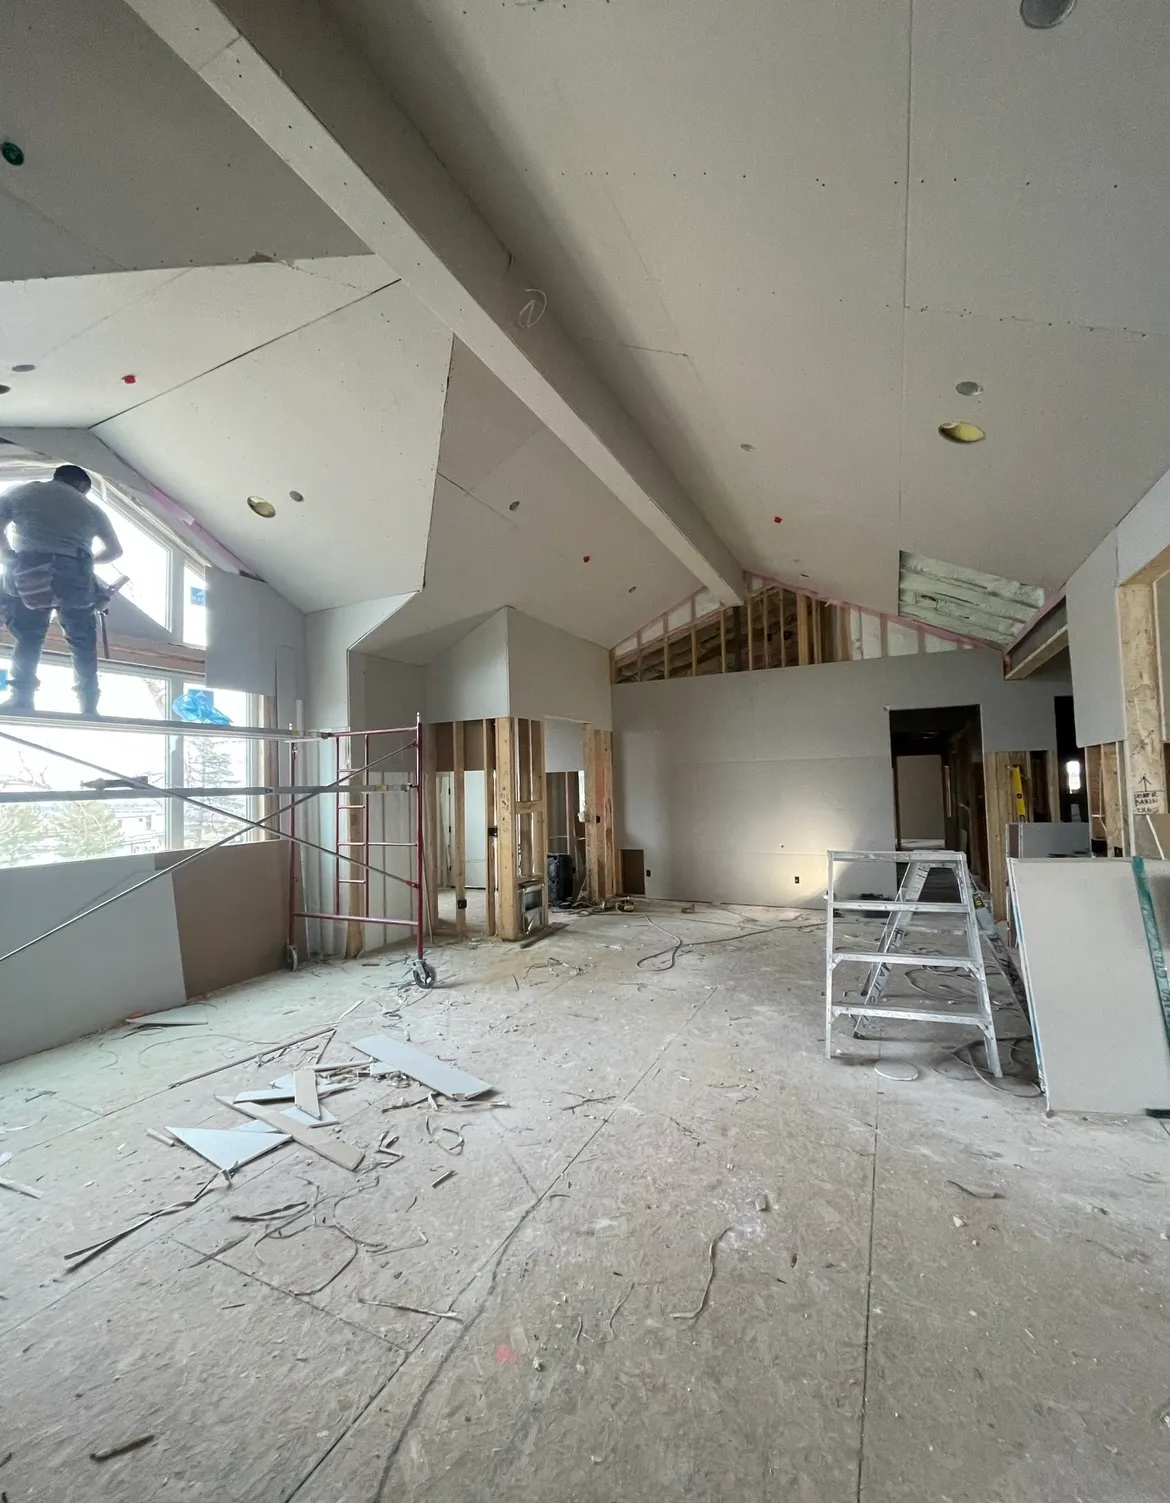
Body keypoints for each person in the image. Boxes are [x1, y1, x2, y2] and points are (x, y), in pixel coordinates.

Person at [0, 465, 122, 715]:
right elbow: (114, 551)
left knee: (29, 635)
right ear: (80, 486)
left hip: (29, 569)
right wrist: (88, 560)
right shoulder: (90, 508)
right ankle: (88, 704)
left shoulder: (21, 493)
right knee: (81, 640)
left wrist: (9, 557)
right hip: (74, 574)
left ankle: (21, 697)